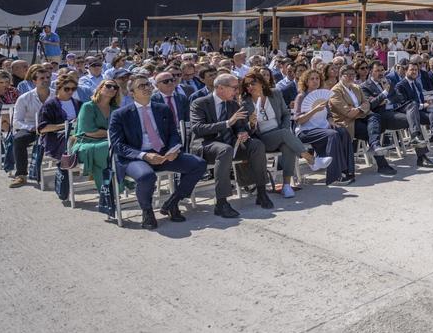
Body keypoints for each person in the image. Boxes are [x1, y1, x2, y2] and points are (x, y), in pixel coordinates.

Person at [109, 74, 206, 229]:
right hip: (136, 158)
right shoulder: (120, 115)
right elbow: (118, 145)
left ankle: (172, 202)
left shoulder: (162, 109)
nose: (147, 88)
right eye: (141, 86)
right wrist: (144, 155)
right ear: (132, 93)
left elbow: (173, 134)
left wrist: (173, 149)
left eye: (148, 84)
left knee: (199, 164)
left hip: (163, 154)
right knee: (147, 176)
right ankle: (147, 211)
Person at [189, 73, 274, 217]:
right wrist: (227, 123)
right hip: (206, 145)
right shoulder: (200, 103)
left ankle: (261, 192)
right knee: (225, 150)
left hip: (229, 145)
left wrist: (246, 129)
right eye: (234, 88)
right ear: (220, 88)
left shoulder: (233, 104)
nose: (237, 91)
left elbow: (240, 127)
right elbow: (198, 128)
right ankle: (221, 203)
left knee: (257, 145)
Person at [242, 69, 309, 198]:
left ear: (261, 83)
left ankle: (286, 186)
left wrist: (283, 129)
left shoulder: (275, 94)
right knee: (285, 135)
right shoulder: (245, 102)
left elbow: (285, 114)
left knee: (287, 146)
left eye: (253, 83)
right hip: (262, 138)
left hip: (279, 133)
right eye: (247, 84)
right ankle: (309, 158)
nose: (250, 86)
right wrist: (250, 123)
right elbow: (246, 129)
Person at [293, 69, 352, 184]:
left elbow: (329, 115)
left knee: (343, 131)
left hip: (323, 128)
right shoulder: (301, 97)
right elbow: (298, 120)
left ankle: (347, 170)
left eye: (317, 78)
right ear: (306, 81)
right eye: (312, 79)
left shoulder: (322, 95)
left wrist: (332, 121)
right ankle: (334, 177)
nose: (315, 81)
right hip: (306, 131)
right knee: (333, 135)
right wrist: (314, 110)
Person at [390, 61, 433, 164]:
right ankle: (421, 157)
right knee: (414, 109)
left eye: (416, 70)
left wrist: (426, 103)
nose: (414, 72)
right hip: (408, 113)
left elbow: (420, 100)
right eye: (411, 70)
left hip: (420, 111)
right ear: (405, 71)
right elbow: (403, 103)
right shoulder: (400, 85)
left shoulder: (417, 84)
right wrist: (422, 105)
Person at [72, 78, 120, 191]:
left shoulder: (116, 109)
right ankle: (114, 184)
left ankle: (113, 183)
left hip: (108, 142)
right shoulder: (88, 106)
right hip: (85, 143)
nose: (112, 89)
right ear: (100, 88)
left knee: (117, 147)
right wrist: (111, 133)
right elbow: (89, 131)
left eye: (115, 87)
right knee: (108, 148)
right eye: (108, 86)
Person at [9, 66, 52, 187]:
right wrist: (32, 128)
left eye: (48, 77)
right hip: (32, 128)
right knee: (18, 139)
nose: (46, 80)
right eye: (42, 78)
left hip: (52, 128)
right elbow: (17, 121)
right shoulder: (24, 98)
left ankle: (70, 167)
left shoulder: (56, 96)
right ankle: (21, 175)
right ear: (34, 81)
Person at [37, 72, 82, 162]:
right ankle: (69, 164)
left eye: (73, 89)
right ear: (59, 88)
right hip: (55, 137)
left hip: (77, 133)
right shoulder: (49, 105)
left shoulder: (79, 103)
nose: (70, 91)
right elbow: (42, 128)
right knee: (72, 139)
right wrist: (67, 125)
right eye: (67, 89)